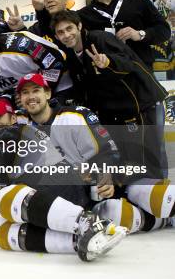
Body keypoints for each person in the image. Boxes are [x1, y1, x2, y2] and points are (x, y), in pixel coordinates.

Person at [0, 73, 128, 262]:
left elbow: (108, 152)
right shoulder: (21, 129)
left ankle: (85, 221)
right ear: (20, 100)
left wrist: (105, 175)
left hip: (79, 190)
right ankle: (81, 240)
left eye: (36, 90)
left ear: (47, 93)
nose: (31, 97)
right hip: (48, 202)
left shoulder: (74, 116)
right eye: (25, 93)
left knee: (4, 197)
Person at [51, 10, 168, 179]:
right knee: (130, 163)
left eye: (69, 28)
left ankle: (161, 201)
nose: (67, 35)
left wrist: (108, 62)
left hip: (142, 105)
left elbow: (128, 63)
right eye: (61, 32)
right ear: (56, 36)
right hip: (120, 113)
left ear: (79, 26)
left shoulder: (99, 39)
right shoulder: (70, 55)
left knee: (149, 161)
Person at [0, 15, 73, 104]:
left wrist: (37, 91)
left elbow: (57, 61)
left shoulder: (19, 44)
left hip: (59, 89)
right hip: (22, 98)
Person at [77, 0, 171, 70]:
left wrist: (140, 34)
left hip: (141, 73)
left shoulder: (138, 0)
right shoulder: (84, 15)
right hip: (108, 77)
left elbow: (164, 30)